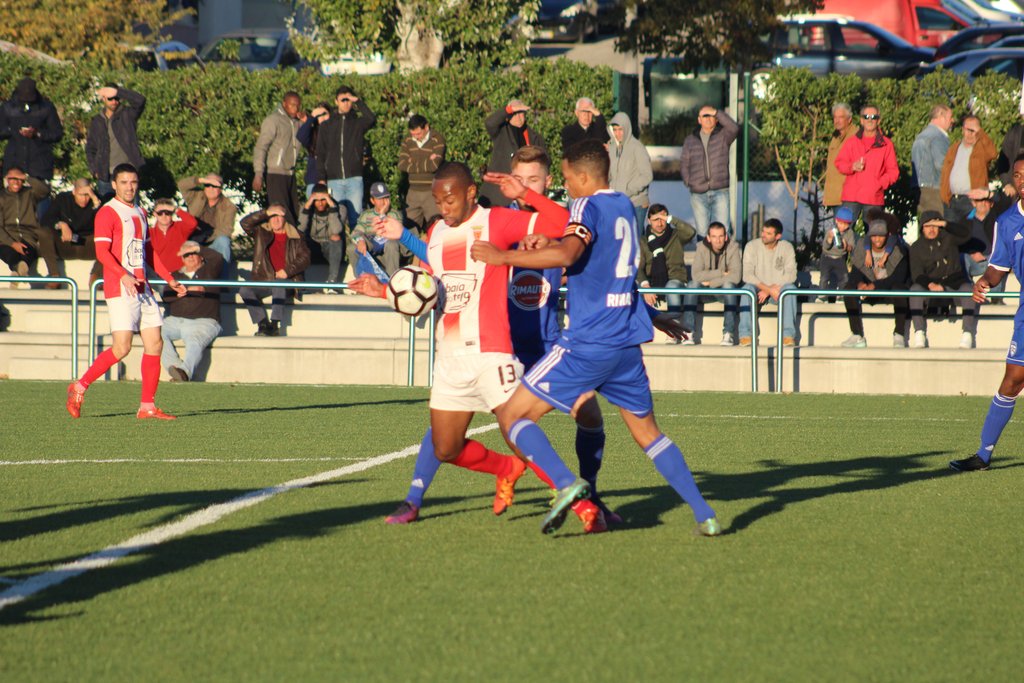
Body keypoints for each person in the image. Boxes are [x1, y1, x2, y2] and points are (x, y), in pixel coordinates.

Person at [375, 148, 642, 530]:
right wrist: (384, 289)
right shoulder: (440, 230)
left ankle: (587, 502)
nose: (443, 208)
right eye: (438, 201)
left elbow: (567, 228)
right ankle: (487, 476)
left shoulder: (504, 221)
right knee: (445, 444)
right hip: (458, 352)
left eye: (449, 199)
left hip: (515, 347)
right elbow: (435, 278)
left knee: (544, 422)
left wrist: (526, 199)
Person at [470, 139, 721, 537]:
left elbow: (570, 255)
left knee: (513, 417)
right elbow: (610, 269)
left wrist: (503, 257)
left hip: (587, 345)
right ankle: (704, 514)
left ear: (584, 177)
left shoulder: (584, 206)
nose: (566, 186)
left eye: (568, 178)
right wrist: (654, 315)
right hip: (626, 347)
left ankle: (567, 484)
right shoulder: (623, 205)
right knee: (649, 435)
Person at [65, 163, 186, 420]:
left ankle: (147, 406)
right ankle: (79, 386)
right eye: (124, 182)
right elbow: (102, 253)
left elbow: (148, 252)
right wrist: (123, 275)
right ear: (114, 185)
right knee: (122, 348)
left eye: (133, 182)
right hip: (120, 288)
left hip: (143, 288)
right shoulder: (107, 213)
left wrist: (169, 279)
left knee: (155, 343)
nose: (129, 187)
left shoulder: (141, 211)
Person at [950, 154, 1024, 472]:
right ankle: (983, 455)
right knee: (1013, 380)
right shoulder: (1006, 222)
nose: (1023, 180)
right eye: (1018, 175)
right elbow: (997, 267)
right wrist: (984, 281)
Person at [237, 203, 311, 337]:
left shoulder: (296, 235)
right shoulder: (261, 232)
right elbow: (245, 223)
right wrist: (266, 212)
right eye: (272, 216)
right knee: (245, 290)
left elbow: (305, 258)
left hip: (288, 281)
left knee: (278, 284)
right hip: (264, 279)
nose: (275, 220)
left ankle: (275, 324)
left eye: (279, 216)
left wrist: (287, 271)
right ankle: (263, 324)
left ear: (285, 218)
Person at [908, 211, 978, 349]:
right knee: (915, 290)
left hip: (952, 284)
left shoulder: (949, 238)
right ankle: (919, 332)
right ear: (922, 228)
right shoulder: (916, 247)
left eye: (935, 225)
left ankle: (967, 333)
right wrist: (931, 284)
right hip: (929, 288)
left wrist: (945, 223)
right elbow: (917, 274)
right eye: (928, 226)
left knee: (968, 289)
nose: (931, 229)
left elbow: (966, 233)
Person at [840, 218, 911, 349]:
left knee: (900, 289)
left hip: (888, 289)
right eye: (874, 236)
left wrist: (874, 286)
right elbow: (856, 271)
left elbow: (898, 277)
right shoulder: (862, 249)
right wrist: (860, 284)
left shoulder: (898, 251)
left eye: (881, 236)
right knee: (848, 289)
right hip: (868, 290)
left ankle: (899, 334)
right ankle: (856, 334)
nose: (877, 239)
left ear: (887, 236)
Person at [314, 86, 377, 229]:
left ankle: (357, 244)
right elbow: (321, 153)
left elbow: (371, 118)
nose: (346, 103)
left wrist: (357, 101)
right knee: (337, 220)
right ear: (336, 101)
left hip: (354, 178)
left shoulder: (357, 123)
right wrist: (322, 178)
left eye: (348, 100)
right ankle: (340, 245)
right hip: (334, 180)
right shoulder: (326, 126)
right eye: (343, 100)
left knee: (356, 219)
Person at [161, 241, 223, 382]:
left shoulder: (210, 270)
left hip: (203, 320)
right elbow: (166, 296)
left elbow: (217, 257)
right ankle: (176, 368)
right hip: (176, 320)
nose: (190, 257)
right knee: (155, 332)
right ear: (182, 258)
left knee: (193, 340)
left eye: (193, 253)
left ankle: (184, 372)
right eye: (186, 254)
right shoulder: (175, 275)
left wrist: (197, 247)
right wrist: (184, 291)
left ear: (201, 255)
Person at [835, 105, 899, 227]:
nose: (870, 120)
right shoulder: (852, 142)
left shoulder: (887, 145)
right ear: (861, 120)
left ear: (878, 121)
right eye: (866, 116)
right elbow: (839, 163)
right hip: (851, 196)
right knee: (843, 232)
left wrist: (879, 184)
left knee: (874, 233)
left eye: (873, 117)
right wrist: (852, 167)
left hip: (873, 198)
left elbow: (893, 172)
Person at [680, 105, 739, 236]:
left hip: (720, 190)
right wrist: (689, 181)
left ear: (716, 119)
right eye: (704, 116)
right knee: (702, 233)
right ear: (699, 120)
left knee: (723, 231)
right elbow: (684, 162)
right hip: (698, 193)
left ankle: (724, 251)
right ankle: (704, 251)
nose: (707, 119)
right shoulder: (690, 140)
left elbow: (734, 128)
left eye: (711, 116)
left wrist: (716, 112)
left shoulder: (723, 135)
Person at [738, 218, 798, 347]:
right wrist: (767, 289)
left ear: (778, 236)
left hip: (777, 291)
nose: (763, 235)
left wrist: (770, 290)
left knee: (790, 289)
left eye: (768, 233)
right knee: (747, 289)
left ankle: (788, 336)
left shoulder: (787, 247)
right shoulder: (751, 246)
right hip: (757, 291)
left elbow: (791, 274)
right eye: (763, 231)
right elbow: (747, 275)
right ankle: (745, 335)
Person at [637, 203, 695, 335]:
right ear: (649, 221)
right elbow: (638, 268)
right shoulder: (643, 241)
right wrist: (645, 285)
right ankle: (640, 332)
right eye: (655, 220)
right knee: (633, 291)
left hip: (676, 279)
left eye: (662, 219)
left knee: (671, 286)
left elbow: (691, 232)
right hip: (652, 283)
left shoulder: (676, 235)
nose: (659, 223)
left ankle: (674, 326)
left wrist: (670, 219)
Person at [682, 221, 742, 346]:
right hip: (705, 293)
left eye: (721, 236)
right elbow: (696, 275)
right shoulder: (701, 247)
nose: (718, 240)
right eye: (714, 236)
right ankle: (688, 332)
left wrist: (711, 282)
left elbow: (736, 277)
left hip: (724, 293)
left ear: (726, 237)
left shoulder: (733, 248)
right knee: (692, 285)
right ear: (708, 238)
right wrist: (721, 273)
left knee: (729, 286)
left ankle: (728, 334)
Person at [480, 99, 545, 208]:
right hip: (499, 196)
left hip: (524, 196)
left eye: (521, 113)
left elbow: (545, 161)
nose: (518, 117)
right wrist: (509, 109)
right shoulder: (501, 132)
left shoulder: (534, 137)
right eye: (514, 114)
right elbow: (489, 123)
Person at [85, 85, 146, 199]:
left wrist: (118, 91)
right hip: (106, 176)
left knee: (130, 207)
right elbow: (90, 148)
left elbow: (140, 101)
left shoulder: (127, 115)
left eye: (116, 98)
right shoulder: (97, 121)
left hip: (128, 173)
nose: (114, 101)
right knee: (107, 208)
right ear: (103, 98)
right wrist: (94, 170)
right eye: (110, 98)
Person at [253, 91, 303, 224]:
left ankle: (293, 236)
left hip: (290, 173)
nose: (295, 108)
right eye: (292, 105)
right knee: (282, 213)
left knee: (294, 212)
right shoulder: (273, 120)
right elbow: (261, 147)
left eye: (298, 105)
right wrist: (258, 173)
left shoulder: (298, 122)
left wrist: (307, 120)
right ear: (284, 104)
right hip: (275, 173)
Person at [0, 77, 64, 182]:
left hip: (39, 167)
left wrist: (38, 133)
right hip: (14, 164)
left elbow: (57, 133)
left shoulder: (46, 108)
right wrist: (13, 130)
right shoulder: (8, 108)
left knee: (39, 192)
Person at [41, 178, 103, 284]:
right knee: (43, 232)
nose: (84, 199)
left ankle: (96, 276)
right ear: (74, 192)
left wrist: (95, 201)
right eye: (80, 195)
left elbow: (106, 222)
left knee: (112, 236)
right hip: (66, 243)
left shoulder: (97, 200)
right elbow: (46, 219)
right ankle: (54, 276)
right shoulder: (63, 199)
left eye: (87, 195)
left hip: (88, 243)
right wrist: (61, 225)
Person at [940, 115, 997, 225]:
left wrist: (980, 133)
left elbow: (993, 153)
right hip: (951, 200)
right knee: (951, 233)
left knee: (972, 231)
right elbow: (945, 172)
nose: (970, 134)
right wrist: (944, 195)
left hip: (971, 201)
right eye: (968, 129)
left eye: (973, 130)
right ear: (962, 130)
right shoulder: (954, 148)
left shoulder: (981, 149)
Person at [0, 168, 53, 285]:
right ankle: (18, 268)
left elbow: (44, 190)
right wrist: (12, 243)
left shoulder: (30, 193)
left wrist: (28, 177)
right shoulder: (2, 197)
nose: (16, 182)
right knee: (8, 252)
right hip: (7, 237)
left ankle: (18, 272)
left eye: (19, 179)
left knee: (28, 251)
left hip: (28, 235)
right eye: (13, 179)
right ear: (7, 180)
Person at [397, 114, 445, 233]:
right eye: (413, 134)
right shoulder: (408, 140)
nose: (416, 137)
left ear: (426, 127)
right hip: (413, 193)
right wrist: (427, 160)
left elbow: (434, 166)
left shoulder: (437, 139)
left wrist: (412, 162)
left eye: (418, 134)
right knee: (409, 229)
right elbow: (402, 164)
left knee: (436, 227)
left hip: (431, 192)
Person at [607, 112, 653, 236]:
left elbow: (647, 175)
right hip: (617, 202)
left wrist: (628, 189)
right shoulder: (612, 148)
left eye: (620, 129)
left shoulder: (637, 147)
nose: (617, 133)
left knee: (636, 240)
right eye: (615, 130)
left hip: (636, 202)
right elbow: (610, 173)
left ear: (627, 128)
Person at [961, 187, 1012, 299]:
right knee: (962, 257)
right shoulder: (965, 220)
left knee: (1000, 258)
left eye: (986, 200)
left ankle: (995, 298)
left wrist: (989, 194)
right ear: (973, 203)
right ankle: (969, 293)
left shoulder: (998, 217)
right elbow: (958, 242)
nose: (983, 203)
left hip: (993, 259)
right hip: (973, 260)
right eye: (979, 200)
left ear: (991, 203)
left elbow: (1006, 203)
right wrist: (972, 252)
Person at [176, 173, 237, 263]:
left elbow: (227, 230)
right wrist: (202, 180)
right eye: (207, 185)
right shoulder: (195, 196)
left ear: (220, 188)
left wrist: (207, 236)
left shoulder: (229, 206)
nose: (210, 188)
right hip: (191, 241)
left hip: (213, 242)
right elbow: (181, 185)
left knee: (224, 241)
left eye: (214, 186)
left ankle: (224, 271)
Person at [352, 182, 409, 276]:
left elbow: (394, 233)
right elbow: (356, 232)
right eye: (379, 198)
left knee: (391, 244)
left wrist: (382, 214)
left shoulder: (395, 214)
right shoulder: (366, 215)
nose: (383, 201)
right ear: (372, 200)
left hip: (389, 243)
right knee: (352, 247)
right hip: (371, 242)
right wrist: (360, 240)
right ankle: (360, 279)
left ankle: (391, 279)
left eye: (386, 197)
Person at [298, 183, 345, 290]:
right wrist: (307, 207)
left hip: (330, 250)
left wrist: (332, 207)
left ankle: (332, 283)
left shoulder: (339, 208)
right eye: (317, 200)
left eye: (323, 199)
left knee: (336, 237)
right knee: (298, 238)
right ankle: (300, 284)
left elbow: (336, 230)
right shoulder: (305, 207)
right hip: (312, 247)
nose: (320, 203)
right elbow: (300, 229)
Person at [911, 105, 953, 216]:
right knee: (937, 221)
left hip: (921, 188)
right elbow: (942, 164)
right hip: (934, 188)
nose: (952, 120)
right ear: (941, 117)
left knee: (927, 221)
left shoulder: (922, 135)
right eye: (950, 117)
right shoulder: (937, 136)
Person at [148, 198, 198, 274]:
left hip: (180, 274)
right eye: (160, 213)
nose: (164, 216)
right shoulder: (149, 233)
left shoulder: (180, 227)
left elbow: (192, 223)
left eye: (167, 212)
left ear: (172, 213)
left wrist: (176, 209)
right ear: (155, 214)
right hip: (157, 275)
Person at [824, 103, 857, 212]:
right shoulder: (835, 136)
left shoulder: (856, 136)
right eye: (835, 117)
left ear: (849, 119)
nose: (837, 121)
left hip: (849, 196)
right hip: (835, 196)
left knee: (846, 223)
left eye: (841, 117)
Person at [295, 102, 331, 197]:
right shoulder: (312, 133)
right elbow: (300, 136)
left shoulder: (335, 131)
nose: (322, 117)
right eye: (319, 115)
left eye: (324, 113)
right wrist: (311, 119)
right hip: (314, 180)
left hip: (332, 180)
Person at [819, 206, 855, 293]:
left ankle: (841, 295)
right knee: (824, 277)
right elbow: (825, 247)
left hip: (840, 258)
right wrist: (830, 239)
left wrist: (846, 246)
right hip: (827, 257)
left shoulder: (850, 233)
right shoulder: (831, 231)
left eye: (846, 224)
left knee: (844, 277)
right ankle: (822, 295)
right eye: (841, 223)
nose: (843, 226)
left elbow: (851, 248)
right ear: (836, 221)